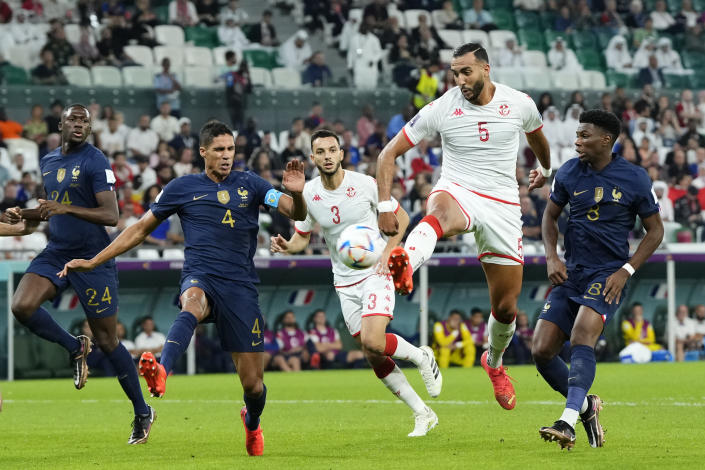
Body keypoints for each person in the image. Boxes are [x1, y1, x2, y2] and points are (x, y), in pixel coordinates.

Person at [60, 120, 307, 456]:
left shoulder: (251, 183)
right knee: (191, 301)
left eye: (230, 149)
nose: (226, 156)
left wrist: (297, 192)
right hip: (200, 274)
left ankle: (251, 421)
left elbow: (295, 212)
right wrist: (94, 260)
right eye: (219, 150)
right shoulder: (181, 187)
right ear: (202, 151)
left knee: (253, 385)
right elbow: (140, 229)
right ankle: (162, 369)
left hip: (240, 286)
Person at [376, 43, 552, 411]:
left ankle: (495, 363)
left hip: (503, 205)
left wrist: (546, 170)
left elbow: (537, 138)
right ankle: (405, 262)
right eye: (454, 73)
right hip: (458, 189)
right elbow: (387, 154)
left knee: (505, 309)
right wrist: (383, 205)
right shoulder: (443, 107)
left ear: (486, 69)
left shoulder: (519, 103)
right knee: (439, 214)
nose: (459, 80)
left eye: (465, 72)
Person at [271, 129, 442, 437]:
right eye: (320, 152)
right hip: (344, 282)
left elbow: (401, 219)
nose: (326, 156)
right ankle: (422, 413)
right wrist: (287, 246)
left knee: (375, 341)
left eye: (332, 150)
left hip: (375, 273)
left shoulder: (365, 184)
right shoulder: (308, 193)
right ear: (312, 158)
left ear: (341, 153)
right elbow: (301, 238)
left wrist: (388, 254)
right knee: (373, 354)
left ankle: (420, 355)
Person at [6, 104, 154, 444]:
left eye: (85, 120)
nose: (79, 124)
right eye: (73, 119)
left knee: (108, 341)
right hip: (57, 249)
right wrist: (23, 213)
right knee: (21, 306)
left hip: (93, 257)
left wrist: (63, 207)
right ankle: (74, 347)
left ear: (90, 127)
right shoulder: (48, 161)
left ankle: (142, 412)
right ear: (60, 124)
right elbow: (49, 211)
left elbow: (110, 215)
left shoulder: (95, 161)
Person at [531, 109, 664, 449]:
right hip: (572, 272)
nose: (577, 141)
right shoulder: (569, 172)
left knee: (581, 336)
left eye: (585, 135)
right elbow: (550, 216)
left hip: (608, 275)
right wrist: (551, 256)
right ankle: (588, 405)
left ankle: (568, 420)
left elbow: (655, 231)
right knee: (542, 349)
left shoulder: (634, 178)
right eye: (577, 134)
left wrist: (626, 270)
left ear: (605, 140)